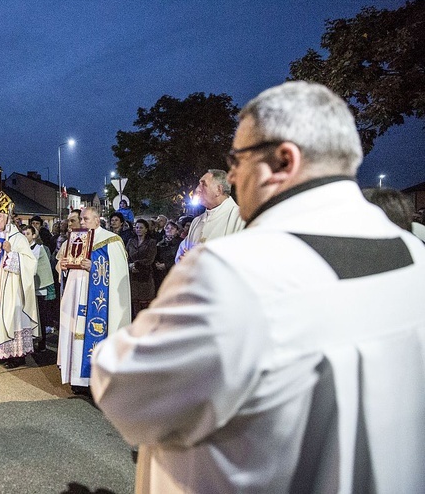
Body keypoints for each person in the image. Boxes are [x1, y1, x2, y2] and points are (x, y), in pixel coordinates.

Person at [91, 81, 425, 493]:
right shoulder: (414, 253)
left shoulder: (234, 273)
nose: (231, 175)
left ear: (284, 160)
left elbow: (126, 392)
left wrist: (115, 347)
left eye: (237, 158)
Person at [57, 207, 130, 391]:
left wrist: (95, 265)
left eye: (86, 219)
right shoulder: (76, 239)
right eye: (81, 219)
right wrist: (63, 266)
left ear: (97, 220)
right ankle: (78, 379)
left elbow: (118, 271)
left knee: (94, 333)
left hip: (98, 299)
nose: (82, 222)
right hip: (76, 294)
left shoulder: (111, 240)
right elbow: (66, 264)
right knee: (76, 333)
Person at [0, 192, 39, 369]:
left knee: (12, 317)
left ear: (8, 218)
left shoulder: (18, 238)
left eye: (0, 216)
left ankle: (17, 355)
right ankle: (0, 353)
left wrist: (11, 253)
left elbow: (30, 263)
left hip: (12, 287)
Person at [175, 169, 244, 262]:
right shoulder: (197, 221)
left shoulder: (240, 218)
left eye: (203, 184)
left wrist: (200, 263)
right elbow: (182, 252)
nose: (197, 189)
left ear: (218, 190)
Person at [22, 224, 55, 351]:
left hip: (39, 287)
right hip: (27, 287)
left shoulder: (38, 249)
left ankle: (42, 342)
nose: (25, 236)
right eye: (24, 234)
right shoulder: (23, 249)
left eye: (28, 234)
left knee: (40, 315)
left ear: (34, 236)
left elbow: (39, 267)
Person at [126, 218, 157, 318]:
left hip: (145, 276)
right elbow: (125, 255)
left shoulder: (151, 242)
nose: (138, 229)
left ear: (146, 229)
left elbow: (150, 258)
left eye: (141, 227)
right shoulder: (131, 241)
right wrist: (130, 265)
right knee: (135, 304)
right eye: (137, 227)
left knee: (145, 304)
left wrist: (136, 264)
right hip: (133, 277)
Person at [152, 219, 180, 292]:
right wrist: (156, 263)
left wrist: (166, 265)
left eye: (172, 228)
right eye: (167, 228)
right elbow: (154, 255)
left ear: (177, 231)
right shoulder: (159, 242)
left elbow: (180, 258)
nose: (169, 230)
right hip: (160, 275)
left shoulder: (180, 243)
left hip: (174, 274)